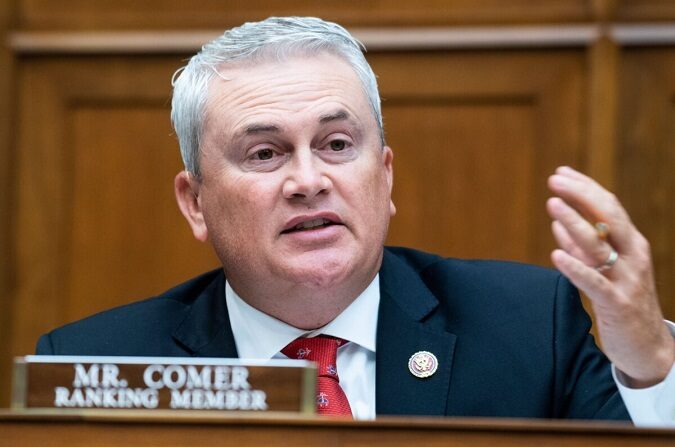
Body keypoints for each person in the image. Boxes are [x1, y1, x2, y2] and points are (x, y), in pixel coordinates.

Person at [37, 17, 675, 423]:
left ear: (386, 176)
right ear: (195, 202)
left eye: (338, 144)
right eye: (265, 153)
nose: (310, 180)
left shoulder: (530, 327)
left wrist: (650, 363)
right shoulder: (98, 368)